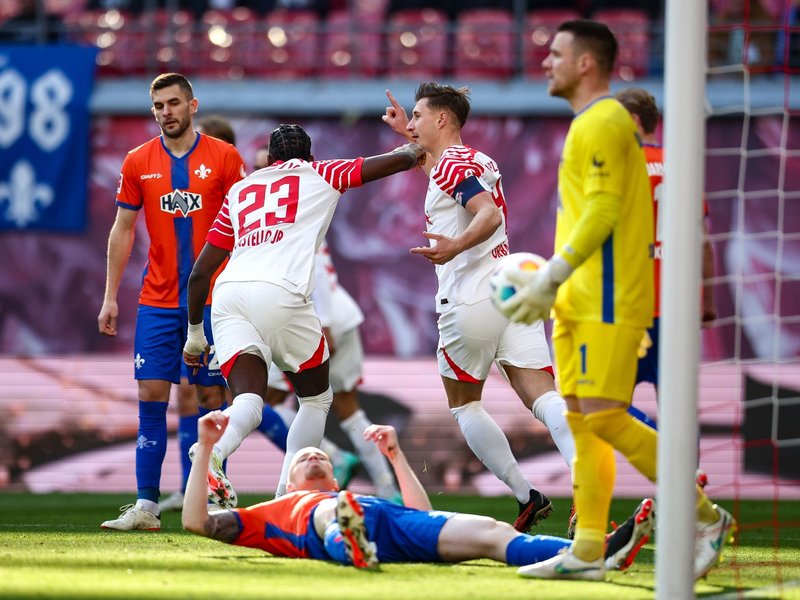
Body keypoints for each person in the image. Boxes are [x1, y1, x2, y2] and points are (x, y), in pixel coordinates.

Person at [499, 20, 735, 581]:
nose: (546, 61)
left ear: (585, 63)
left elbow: (603, 212)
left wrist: (550, 276)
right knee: (583, 422)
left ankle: (704, 516)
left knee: (605, 417)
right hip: (579, 303)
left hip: (608, 300)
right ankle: (586, 550)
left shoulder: (605, 120)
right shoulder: (587, 123)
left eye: (556, 53)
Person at [182, 124, 425, 506]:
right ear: (309, 158)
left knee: (249, 399)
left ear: (270, 159)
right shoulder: (321, 173)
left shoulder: (240, 190)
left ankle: (214, 451)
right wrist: (415, 147)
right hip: (281, 293)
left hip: (228, 296)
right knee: (315, 400)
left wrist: (195, 334)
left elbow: (199, 274)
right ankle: (285, 496)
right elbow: (386, 164)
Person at [381, 83, 576, 533]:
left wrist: (454, 247)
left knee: (465, 404)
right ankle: (586, 484)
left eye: (416, 115)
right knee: (543, 397)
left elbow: (487, 213)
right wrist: (408, 136)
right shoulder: (474, 159)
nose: (411, 123)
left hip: (469, 292)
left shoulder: (450, 164)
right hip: (511, 286)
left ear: (442, 119)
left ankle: (526, 493)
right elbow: (446, 175)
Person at [182, 412, 655, 573]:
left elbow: (424, 512)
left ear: (333, 473)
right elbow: (195, 523)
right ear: (288, 480)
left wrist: (394, 455)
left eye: (319, 457)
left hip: (387, 524)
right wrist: (203, 449)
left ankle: (595, 553)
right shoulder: (275, 510)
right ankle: (347, 543)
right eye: (304, 456)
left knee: (491, 532)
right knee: (330, 516)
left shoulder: (356, 497)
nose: (312, 456)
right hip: (333, 524)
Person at [98, 73, 247, 530]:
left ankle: (208, 498)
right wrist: (109, 297)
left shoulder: (224, 157)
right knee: (151, 394)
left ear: (192, 105)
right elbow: (123, 229)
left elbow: (246, 225)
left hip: (213, 300)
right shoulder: (137, 161)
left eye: (174, 103)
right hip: (157, 300)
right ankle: (146, 506)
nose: (166, 112)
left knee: (209, 396)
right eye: (158, 105)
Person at [159, 115, 290, 513]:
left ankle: (313, 458)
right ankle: (192, 485)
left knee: (231, 397)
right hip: (195, 295)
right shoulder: (194, 189)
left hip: (228, 300)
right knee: (203, 397)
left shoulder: (244, 192)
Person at [614, 86, 717, 489]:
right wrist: (705, 299)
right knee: (678, 408)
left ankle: (588, 504)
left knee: (606, 407)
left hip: (629, 309)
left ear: (634, 121)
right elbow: (703, 241)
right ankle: (689, 488)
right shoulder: (681, 167)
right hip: (677, 309)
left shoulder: (618, 167)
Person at [263, 239, 401, 500]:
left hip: (311, 319)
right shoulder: (308, 208)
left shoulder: (284, 214)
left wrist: (324, 323)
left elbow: (314, 267)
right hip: (339, 315)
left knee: (266, 402)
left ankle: (334, 458)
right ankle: (389, 490)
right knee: (348, 409)